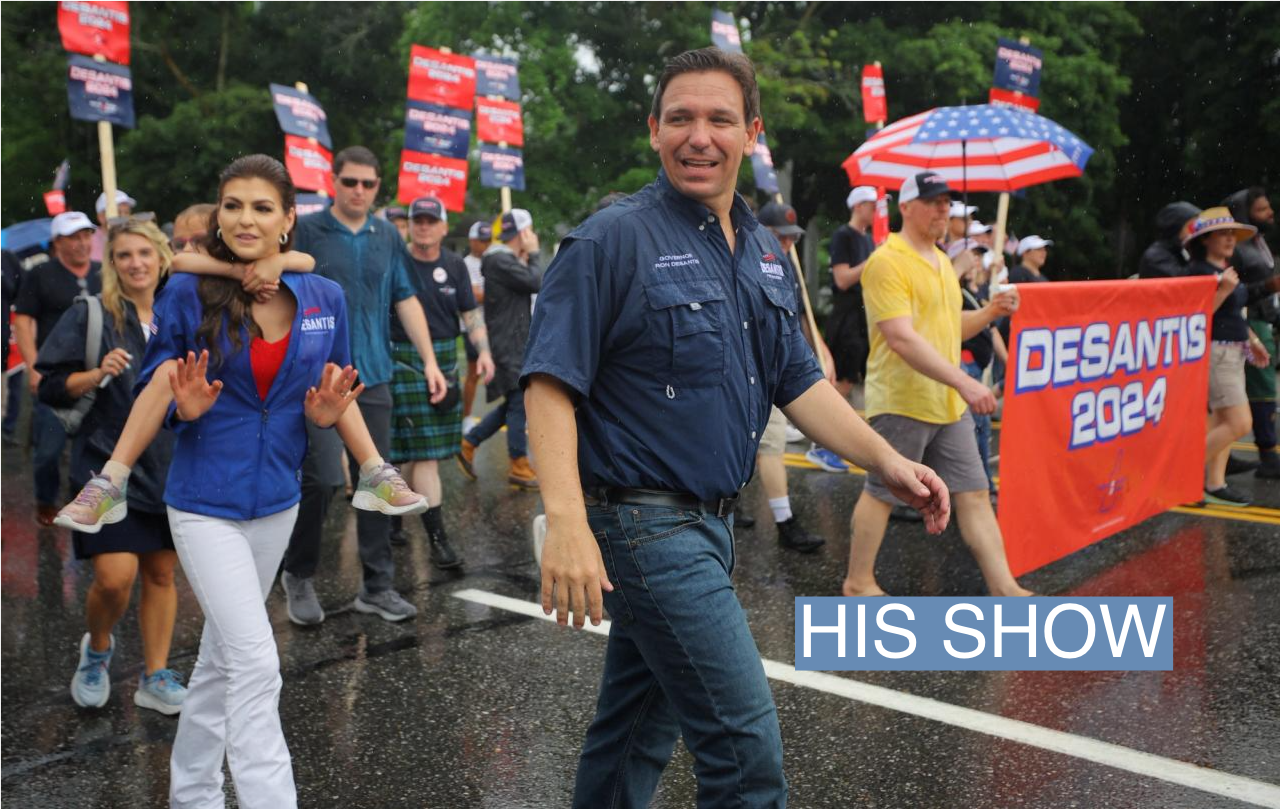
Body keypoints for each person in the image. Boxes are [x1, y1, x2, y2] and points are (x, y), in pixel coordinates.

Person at [523, 48, 951, 808]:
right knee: (744, 749)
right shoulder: (610, 240)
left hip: (714, 527)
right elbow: (551, 382)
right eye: (680, 118)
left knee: (634, 734)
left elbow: (798, 382)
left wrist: (886, 459)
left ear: (750, 133)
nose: (700, 136)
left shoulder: (762, 249)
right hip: (644, 526)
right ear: (653, 130)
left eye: (720, 119)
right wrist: (566, 522)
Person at [136, 154, 368, 807]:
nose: (245, 217)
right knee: (257, 663)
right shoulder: (188, 291)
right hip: (203, 501)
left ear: (289, 219)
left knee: (219, 661)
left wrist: (326, 416)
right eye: (232, 204)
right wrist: (183, 409)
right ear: (218, 213)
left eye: (262, 206)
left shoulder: (325, 297)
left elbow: (334, 388)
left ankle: (194, 793)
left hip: (277, 502)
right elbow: (154, 385)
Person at [842, 170, 1032, 599]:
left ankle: (1006, 588)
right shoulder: (887, 260)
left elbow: (949, 328)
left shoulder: (942, 261)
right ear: (906, 207)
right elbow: (901, 338)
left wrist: (989, 313)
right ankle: (858, 583)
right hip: (903, 399)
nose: (943, 209)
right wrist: (965, 383)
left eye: (947, 202)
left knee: (975, 494)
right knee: (881, 493)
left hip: (946, 402)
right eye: (932, 201)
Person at [281, 145, 447, 626]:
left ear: (379, 188)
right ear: (334, 181)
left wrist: (431, 361)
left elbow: (405, 298)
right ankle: (299, 573)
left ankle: (377, 586)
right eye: (349, 182)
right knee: (323, 481)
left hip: (370, 374)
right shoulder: (307, 229)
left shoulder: (386, 236)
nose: (358, 191)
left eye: (367, 184)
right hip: (312, 378)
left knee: (378, 482)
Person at [35, 218, 187, 713]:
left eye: (145, 253)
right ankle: (98, 648)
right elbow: (50, 386)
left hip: (170, 466)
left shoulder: (181, 312)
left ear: (162, 256)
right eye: (124, 255)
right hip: (105, 469)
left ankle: (155, 675)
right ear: (111, 262)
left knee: (162, 574)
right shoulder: (93, 314)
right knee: (115, 578)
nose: (136, 263)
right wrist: (96, 373)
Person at [388, 196, 495, 566]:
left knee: (420, 454)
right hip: (401, 360)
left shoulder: (454, 265)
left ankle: (416, 530)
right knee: (412, 454)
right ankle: (418, 533)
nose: (423, 226)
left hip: (445, 360)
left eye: (431, 220)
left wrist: (483, 351)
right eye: (418, 220)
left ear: (444, 226)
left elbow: (469, 313)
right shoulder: (395, 262)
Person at [13, 211, 102, 524]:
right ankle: (46, 501)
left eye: (86, 236)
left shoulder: (103, 272)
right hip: (55, 376)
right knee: (49, 449)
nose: (82, 243)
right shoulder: (40, 275)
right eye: (74, 237)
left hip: (97, 376)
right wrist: (33, 366)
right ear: (58, 242)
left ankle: (89, 503)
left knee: (95, 448)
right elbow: (24, 321)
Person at [753, 200, 832, 552]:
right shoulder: (748, 262)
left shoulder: (787, 268)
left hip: (776, 368)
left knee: (771, 444)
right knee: (760, 444)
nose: (786, 245)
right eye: (778, 237)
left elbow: (798, 319)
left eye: (790, 239)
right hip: (753, 367)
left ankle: (784, 521)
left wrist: (820, 352)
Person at [1184, 207, 1274, 507]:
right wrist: (1222, 290)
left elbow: (1235, 312)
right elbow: (1196, 317)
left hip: (1233, 352)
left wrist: (1253, 339)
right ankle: (1182, 476)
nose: (1230, 239)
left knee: (1222, 420)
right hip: (1216, 353)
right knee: (1239, 423)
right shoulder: (1197, 273)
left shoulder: (1225, 273)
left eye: (1232, 234)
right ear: (1205, 240)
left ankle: (1214, 483)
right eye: (1223, 234)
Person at [458, 208, 542, 490]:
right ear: (523, 232)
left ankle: (469, 442)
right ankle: (518, 463)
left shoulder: (501, 258)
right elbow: (536, 281)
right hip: (508, 342)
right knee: (520, 402)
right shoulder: (501, 259)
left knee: (514, 403)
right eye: (530, 230)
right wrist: (533, 253)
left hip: (512, 340)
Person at [1224, 188, 1280, 479]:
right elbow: (1234, 294)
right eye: (1261, 210)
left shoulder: (1259, 243)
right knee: (1261, 390)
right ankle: (1268, 455)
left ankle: (1223, 456)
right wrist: (1268, 288)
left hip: (1263, 321)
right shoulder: (1238, 250)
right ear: (1245, 214)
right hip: (1249, 324)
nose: (1269, 213)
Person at [949, 238, 1006, 503]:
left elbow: (991, 329)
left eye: (977, 255)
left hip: (979, 367)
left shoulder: (979, 291)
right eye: (970, 255)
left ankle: (975, 486)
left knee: (977, 426)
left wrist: (1008, 359)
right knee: (980, 424)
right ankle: (981, 486)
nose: (975, 260)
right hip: (965, 364)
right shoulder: (954, 292)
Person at [827, 185, 876, 410]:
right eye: (872, 206)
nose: (876, 211)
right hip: (847, 316)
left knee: (860, 380)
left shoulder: (869, 239)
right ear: (858, 206)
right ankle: (821, 426)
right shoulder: (843, 235)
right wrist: (873, 262)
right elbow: (842, 279)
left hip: (864, 316)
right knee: (843, 380)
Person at [461, 219, 491, 433]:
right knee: (473, 374)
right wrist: (499, 291)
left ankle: (518, 413)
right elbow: (474, 295)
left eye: (488, 240)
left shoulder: (495, 259)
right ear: (472, 240)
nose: (485, 244)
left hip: (495, 325)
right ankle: (466, 417)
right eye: (482, 240)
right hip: (472, 327)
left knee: (510, 372)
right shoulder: (466, 264)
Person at [1137, 202, 1200, 280]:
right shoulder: (1155, 256)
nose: (1197, 231)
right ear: (1176, 228)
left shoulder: (1180, 251)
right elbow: (1184, 282)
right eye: (1193, 227)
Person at [90, 189, 136, 263]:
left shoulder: (135, 239)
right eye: (118, 212)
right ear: (101, 217)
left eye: (127, 212)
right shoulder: (89, 243)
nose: (124, 217)